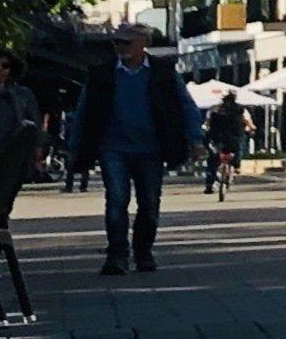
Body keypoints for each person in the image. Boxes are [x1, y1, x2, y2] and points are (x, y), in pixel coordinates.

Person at [67, 20, 200, 276]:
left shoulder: (163, 72)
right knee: (116, 200)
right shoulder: (101, 73)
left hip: (151, 149)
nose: (120, 47)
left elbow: (186, 106)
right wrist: (75, 145)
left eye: (126, 42)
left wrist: (195, 139)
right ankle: (117, 254)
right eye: (116, 42)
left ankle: (143, 252)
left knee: (149, 203)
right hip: (112, 147)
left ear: (144, 44)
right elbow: (84, 111)